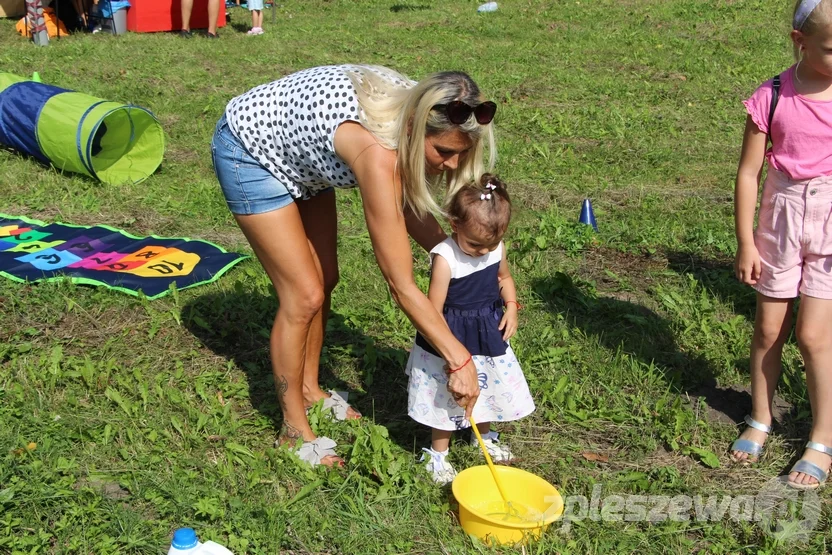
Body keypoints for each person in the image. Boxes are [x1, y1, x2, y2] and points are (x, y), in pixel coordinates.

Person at [212, 65, 496, 467]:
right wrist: (459, 357)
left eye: (461, 153)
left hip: (302, 155)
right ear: (415, 129)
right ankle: (292, 432)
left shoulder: (423, 113)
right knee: (304, 294)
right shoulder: (376, 153)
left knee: (326, 278)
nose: (451, 164)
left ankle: (310, 390)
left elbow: (407, 207)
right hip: (250, 148)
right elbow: (399, 284)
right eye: (444, 152)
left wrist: (461, 257)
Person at [730, 0, 832, 490]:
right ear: (800, 42)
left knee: (814, 337)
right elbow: (749, 174)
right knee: (769, 330)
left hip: (831, 225)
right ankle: (761, 416)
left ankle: (822, 437)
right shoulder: (771, 96)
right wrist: (746, 241)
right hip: (781, 222)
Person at [405, 174, 534, 484]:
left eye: (489, 244)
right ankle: (438, 453)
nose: (481, 251)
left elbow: (503, 279)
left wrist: (512, 306)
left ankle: (483, 437)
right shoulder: (446, 258)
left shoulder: (495, 248)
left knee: (488, 385)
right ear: (454, 224)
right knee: (447, 395)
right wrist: (447, 352)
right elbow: (433, 311)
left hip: (486, 330)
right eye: (475, 244)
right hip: (451, 334)